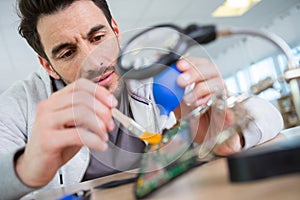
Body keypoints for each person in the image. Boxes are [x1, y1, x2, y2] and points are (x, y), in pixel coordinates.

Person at [0, 0, 283, 199]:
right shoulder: (19, 105)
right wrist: (25, 167)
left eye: (98, 37)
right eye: (67, 53)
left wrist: (228, 133)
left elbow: (270, 115)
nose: (93, 61)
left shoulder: (156, 75)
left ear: (116, 30)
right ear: (47, 64)